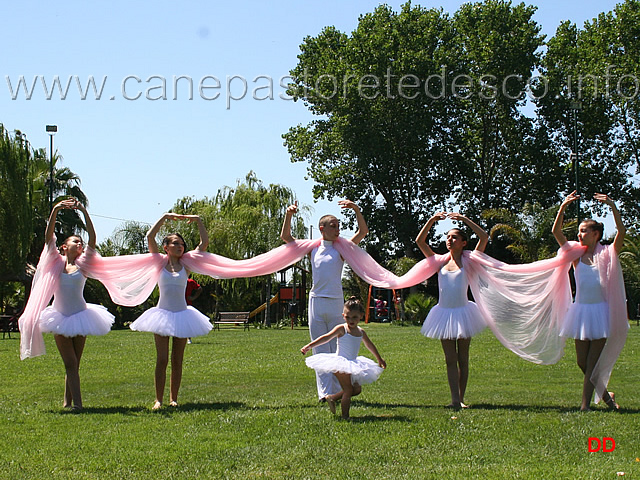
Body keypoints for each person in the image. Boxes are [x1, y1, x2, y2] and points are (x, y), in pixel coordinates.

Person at [281, 200, 369, 401]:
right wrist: (289, 214)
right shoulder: (312, 248)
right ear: (322, 228)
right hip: (316, 302)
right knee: (320, 350)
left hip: (336, 302)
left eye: (339, 226)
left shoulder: (342, 248)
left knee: (337, 349)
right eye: (333, 226)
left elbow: (362, 232)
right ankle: (324, 393)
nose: (338, 230)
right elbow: (286, 237)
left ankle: (339, 391)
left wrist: (356, 209)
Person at [35, 199, 115, 410]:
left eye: (80, 242)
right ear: (64, 246)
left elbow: (93, 239)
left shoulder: (84, 265)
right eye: (75, 242)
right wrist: (55, 209)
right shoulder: (55, 262)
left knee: (74, 364)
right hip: (59, 317)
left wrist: (83, 211)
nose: (79, 244)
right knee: (70, 363)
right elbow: (48, 238)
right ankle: (78, 404)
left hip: (81, 316)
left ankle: (67, 401)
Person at [552, 191, 626, 411]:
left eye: (584, 231)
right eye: (579, 231)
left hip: (601, 313)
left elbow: (621, 232)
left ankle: (585, 406)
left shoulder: (608, 252)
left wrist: (612, 206)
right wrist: (563, 207)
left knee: (592, 364)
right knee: (582, 363)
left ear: (596, 234)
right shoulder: (577, 255)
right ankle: (608, 399)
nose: (580, 234)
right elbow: (556, 232)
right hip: (581, 312)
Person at [129, 213, 212, 410]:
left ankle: (173, 398)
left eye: (181, 243)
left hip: (183, 315)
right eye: (175, 243)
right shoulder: (159, 263)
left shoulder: (186, 265)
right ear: (166, 247)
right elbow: (150, 236)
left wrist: (199, 220)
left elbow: (204, 243)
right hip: (162, 315)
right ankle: (158, 399)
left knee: (177, 360)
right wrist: (165, 217)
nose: (180, 246)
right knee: (162, 359)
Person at [416, 212, 489, 409]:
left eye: (454, 237)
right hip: (443, 314)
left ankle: (461, 398)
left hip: (464, 313)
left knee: (462, 359)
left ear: (464, 242)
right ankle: (454, 399)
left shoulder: (470, 261)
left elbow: (484, 237)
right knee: (450, 359)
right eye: (448, 237)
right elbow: (420, 241)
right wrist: (432, 221)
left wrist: (465, 220)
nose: (450, 240)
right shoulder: (439, 261)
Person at [301, 297, 386, 419]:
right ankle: (345, 416)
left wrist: (379, 359)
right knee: (348, 390)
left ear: (361, 316)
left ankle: (332, 398)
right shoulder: (342, 329)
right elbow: (326, 337)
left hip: (354, 363)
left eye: (354, 317)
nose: (351, 320)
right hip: (341, 363)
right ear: (343, 315)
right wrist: (309, 346)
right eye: (347, 317)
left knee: (356, 390)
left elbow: (369, 345)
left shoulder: (361, 332)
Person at [185, 277, 203, 344]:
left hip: (187, 305)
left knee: (187, 322)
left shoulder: (190, 282)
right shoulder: (175, 281)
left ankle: (188, 338)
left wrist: (193, 297)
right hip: (177, 303)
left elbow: (199, 288)